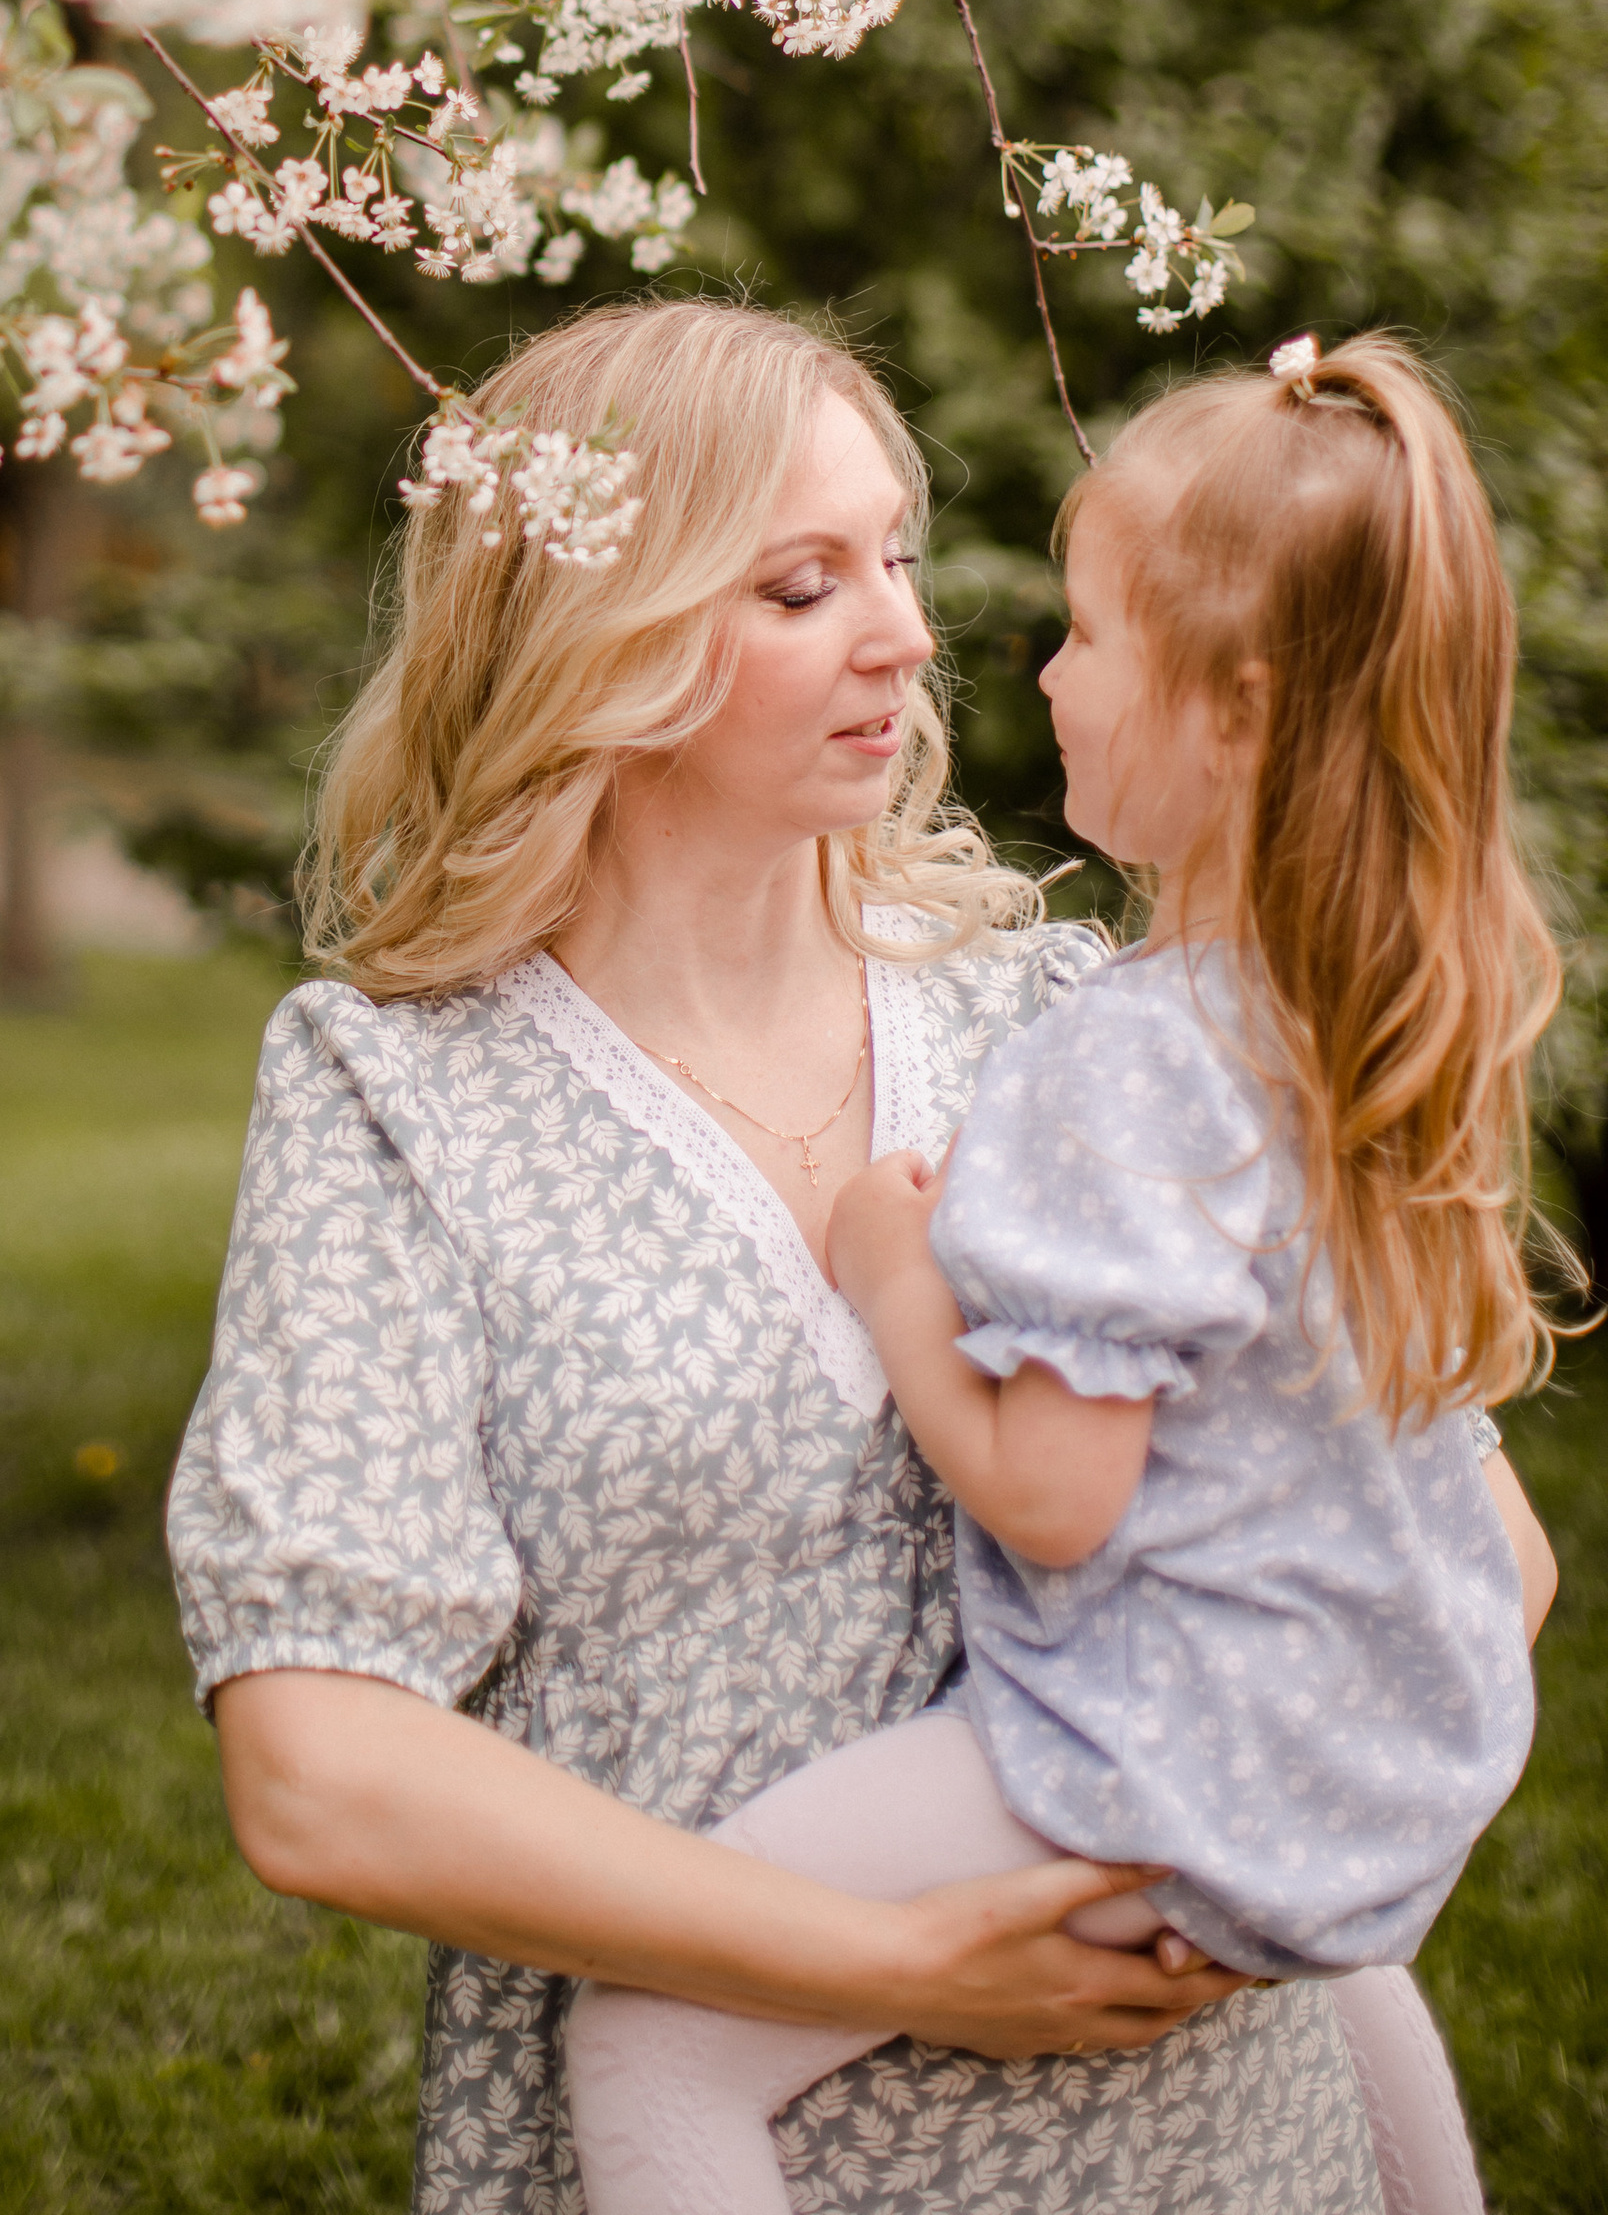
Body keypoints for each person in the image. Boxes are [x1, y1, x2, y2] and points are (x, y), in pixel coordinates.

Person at [166, 298, 1397, 2215]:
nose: (908, 634)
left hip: (1208, 2131)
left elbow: (1459, 1535)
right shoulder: (396, 1096)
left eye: (894, 557)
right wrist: (901, 1970)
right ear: (604, 629)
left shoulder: (1067, 1019)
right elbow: (319, 1765)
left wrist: (1263, 1860)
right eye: (802, 586)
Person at [565, 330, 1560, 2215]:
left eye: (1091, 636)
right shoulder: (1363, 1025)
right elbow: (1506, 1548)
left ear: (1238, 712)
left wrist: (897, 1280)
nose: (1032, 672)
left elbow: (1056, 1495)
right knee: (1341, 1956)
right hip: (1367, 1764)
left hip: (1149, 1754)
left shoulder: (1131, 1056)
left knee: (643, 2036)